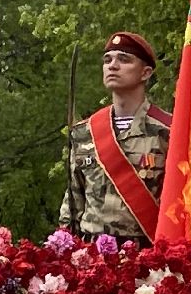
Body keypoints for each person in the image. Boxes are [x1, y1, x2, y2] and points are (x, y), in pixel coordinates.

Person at [59, 32, 171, 244]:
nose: (113, 65)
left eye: (124, 59)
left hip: (147, 256)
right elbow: (73, 202)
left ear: (145, 72)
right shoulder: (85, 132)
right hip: (92, 257)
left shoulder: (167, 131)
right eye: (107, 59)